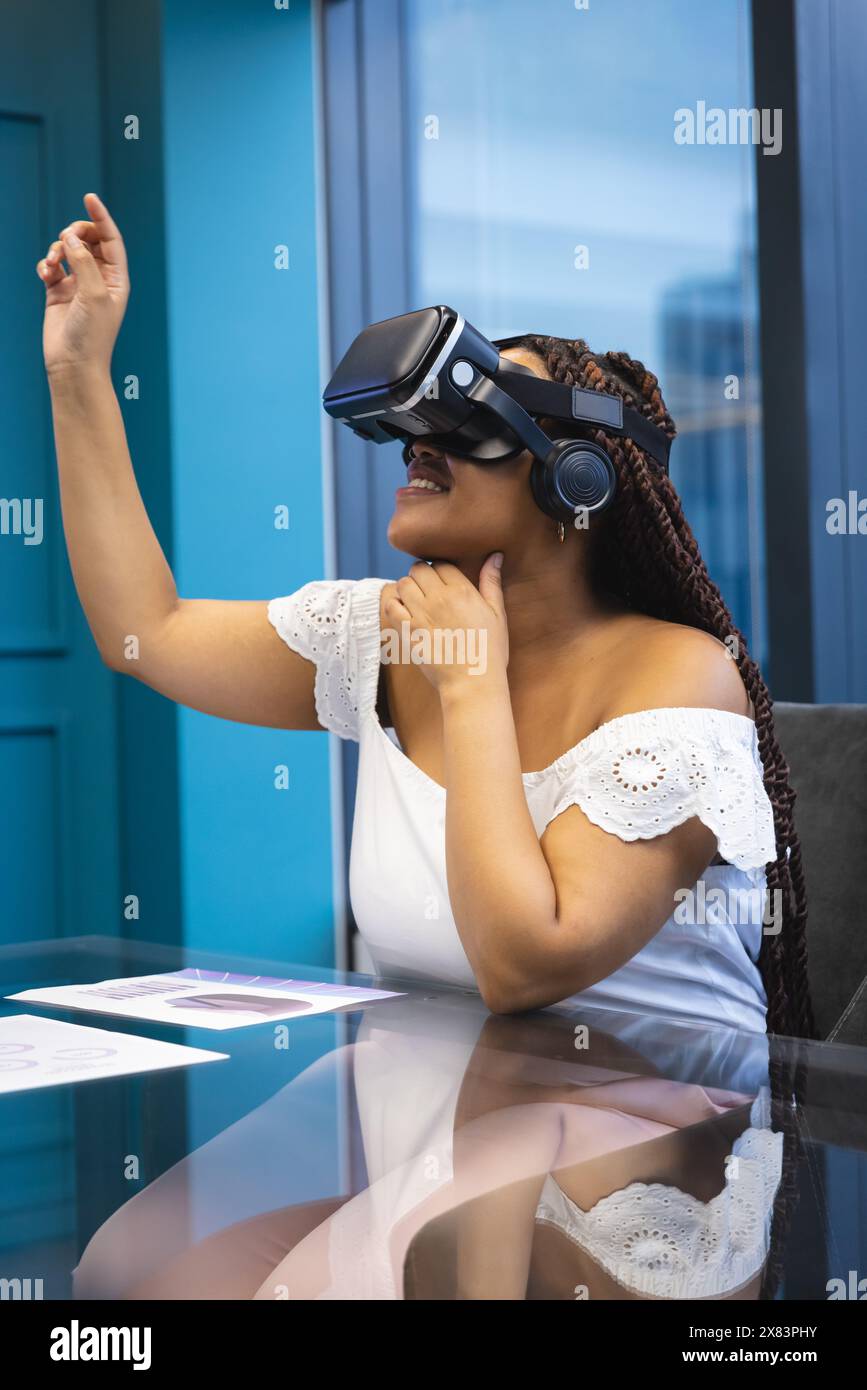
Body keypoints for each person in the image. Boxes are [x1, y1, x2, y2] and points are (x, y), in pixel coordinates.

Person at [38, 194, 811, 1300]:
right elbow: (143, 632)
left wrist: (468, 679)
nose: (417, 448)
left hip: (644, 1150)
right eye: (416, 427)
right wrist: (78, 371)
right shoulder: (384, 633)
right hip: (444, 1112)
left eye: (470, 425)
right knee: (130, 1273)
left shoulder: (676, 673)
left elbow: (524, 962)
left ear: (575, 484)